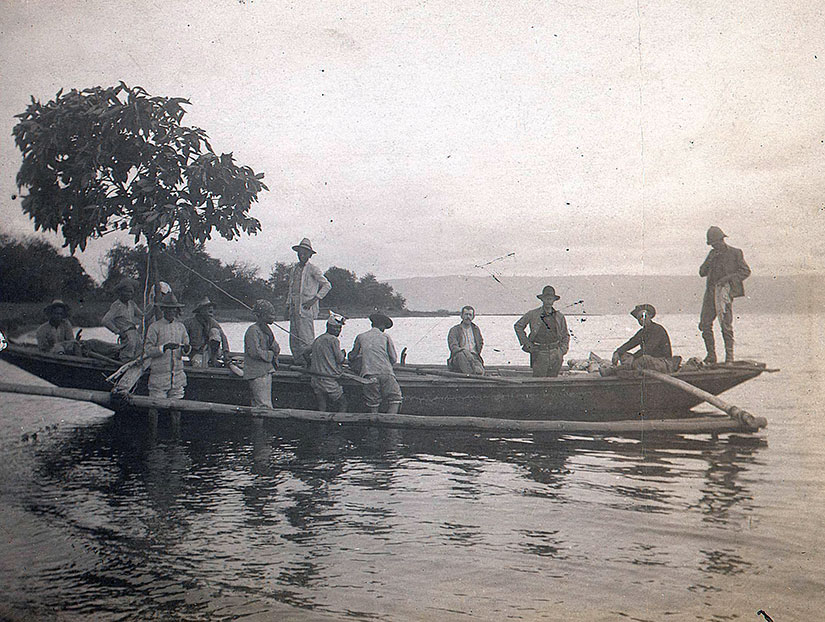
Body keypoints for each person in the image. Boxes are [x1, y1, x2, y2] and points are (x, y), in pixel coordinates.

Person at [698, 226, 751, 364]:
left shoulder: (735, 253)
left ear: (722, 240)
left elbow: (745, 271)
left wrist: (728, 279)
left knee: (726, 325)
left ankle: (729, 358)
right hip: (710, 294)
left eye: (716, 243)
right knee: (704, 324)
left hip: (725, 294)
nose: (714, 246)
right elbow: (702, 272)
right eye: (712, 244)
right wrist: (710, 260)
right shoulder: (711, 254)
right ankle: (711, 356)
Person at [285, 238, 331, 363]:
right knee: (294, 337)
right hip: (294, 307)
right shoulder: (294, 269)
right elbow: (291, 289)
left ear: (310, 255)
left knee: (306, 337)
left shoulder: (313, 269)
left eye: (305, 253)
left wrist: (314, 299)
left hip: (306, 308)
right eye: (300, 252)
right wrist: (288, 305)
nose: (302, 255)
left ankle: (310, 362)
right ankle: (298, 361)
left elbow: (327, 285)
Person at [348, 312, 402, 413]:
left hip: (369, 374)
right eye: (384, 327)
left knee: (373, 402)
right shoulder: (385, 337)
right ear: (381, 325)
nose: (384, 329)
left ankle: (374, 428)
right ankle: (390, 426)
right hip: (386, 373)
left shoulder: (361, 336)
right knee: (395, 399)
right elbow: (393, 359)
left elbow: (352, 356)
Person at [514, 285, 570, 377]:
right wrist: (527, 344)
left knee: (553, 383)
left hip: (555, 354)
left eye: (550, 299)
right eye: (546, 298)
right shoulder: (533, 314)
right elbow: (518, 326)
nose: (548, 301)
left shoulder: (559, 316)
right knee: (538, 382)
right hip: (539, 353)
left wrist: (562, 350)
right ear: (542, 299)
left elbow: (565, 335)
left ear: (554, 300)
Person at [144, 292, 191, 399]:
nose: (171, 311)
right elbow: (148, 350)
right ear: (163, 309)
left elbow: (186, 347)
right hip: (159, 377)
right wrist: (164, 348)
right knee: (155, 406)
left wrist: (186, 349)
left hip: (177, 377)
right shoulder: (155, 327)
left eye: (173, 309)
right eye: (168, 309)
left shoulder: (180, 327)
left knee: (177, 408)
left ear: (176, 310)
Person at [612, 304, 679, 372]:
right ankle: (623, 368)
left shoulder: (657, 329)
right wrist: (618, 352)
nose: (642, 320)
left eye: (644, 316)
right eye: (639, 318)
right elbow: (631, 343)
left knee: (644, 359)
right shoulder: (642, 332)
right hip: (649, 362)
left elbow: (648, 349)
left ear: (650, 316)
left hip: (663, 362)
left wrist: (633, 357)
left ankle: (617, 369)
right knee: (624, 355)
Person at [244, 299, 280, 408]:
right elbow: (255, 352)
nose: (272, 317)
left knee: (264, 404)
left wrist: (274, 351)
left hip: (266, 371)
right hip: (257, 373)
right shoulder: (253, 330)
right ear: (261, 315)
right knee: (262, 405)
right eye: (269, 314)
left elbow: (276, 348)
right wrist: (271, 354)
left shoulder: (267, 330)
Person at [309, 314, 348, 412]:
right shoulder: (333, 340)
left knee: (322, 406)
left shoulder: (318, 339)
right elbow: (340, 360)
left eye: (339, 328)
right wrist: (343, 354)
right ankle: (340, 424)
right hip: (328, 379)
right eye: (335, 328)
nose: (338, 331)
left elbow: (305, 353)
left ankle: (322, 427)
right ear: (328, 327)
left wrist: (310, 364)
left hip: (316, 378)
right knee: (343, 403)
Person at [101, 279, 145, 361]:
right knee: (127, 356)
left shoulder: (131, 304)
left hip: (135, 333)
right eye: (126, 291)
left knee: (138, 354)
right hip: (126, 334)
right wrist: (118, 331)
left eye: (131, 292)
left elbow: (143, 316)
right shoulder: (116, 305)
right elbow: (105, 321)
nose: (129, 294)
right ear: (120, 292)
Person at [183, 297, 230, 368]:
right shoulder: (189, 323)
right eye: (207, 307)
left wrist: (226, 353)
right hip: (196, 353)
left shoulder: (213, 323)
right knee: (198, 365)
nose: (211, 309)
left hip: (211, 352)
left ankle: (213, 359)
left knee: (215, 331)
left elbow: (223, 338)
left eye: (211, 307)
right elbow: (183, 339)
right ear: (200, 310)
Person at [447, 305, 484, 374]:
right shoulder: (454, 330)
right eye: (466, 314)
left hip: (473, 357)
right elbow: (453, 347)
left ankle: (474, 373)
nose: (468, 317)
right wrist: (464, 351)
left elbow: (480, 342)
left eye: (470, 315)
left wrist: (474, 354)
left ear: (473, 317)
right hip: (459, 358)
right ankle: (471, 376)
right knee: (461, 356)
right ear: (461, 316)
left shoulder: (476, 330)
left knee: (480, 371)